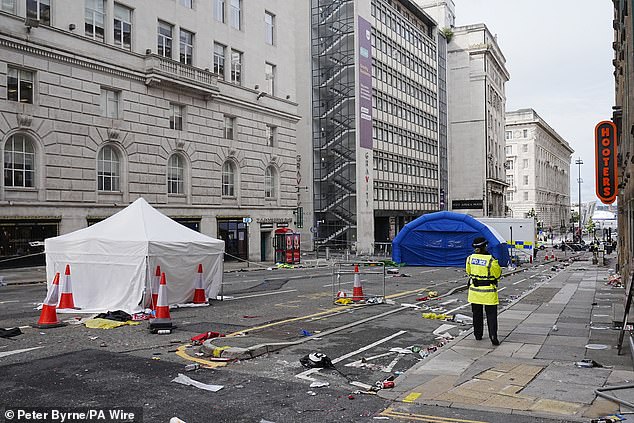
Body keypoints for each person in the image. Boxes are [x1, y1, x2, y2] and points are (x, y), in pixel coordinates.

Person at [466, 237, 502, 345]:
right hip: (488, 292)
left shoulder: (469, 259)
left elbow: (468, 272)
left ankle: (478, 335)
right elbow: (498, 274)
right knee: (491, 315)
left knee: (477, 314)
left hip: (474, 291)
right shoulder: (491, 260)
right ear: (485, 246)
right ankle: (493, 336)